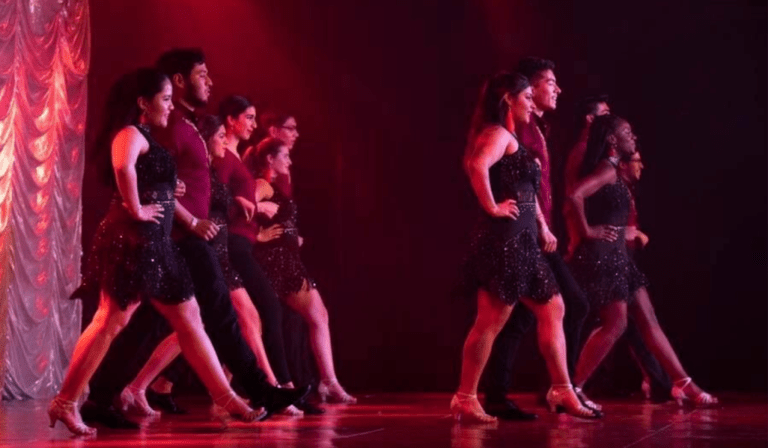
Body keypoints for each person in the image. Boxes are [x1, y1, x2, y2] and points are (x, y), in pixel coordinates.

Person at [50, 68, 260, 436]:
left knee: (189, 316)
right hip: (133, 240)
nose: (169, 107)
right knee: (110, 320)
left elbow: (143, 172)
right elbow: (122, 165)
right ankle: (65, 401)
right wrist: (135, 207)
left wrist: (167, 188)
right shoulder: (129, 133)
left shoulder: (146, 136)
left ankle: (229, 399)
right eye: (164, 99)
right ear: (143, 103)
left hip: (157, 244)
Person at [151, 48, 308, 418]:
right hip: (186, 238)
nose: (210, 81)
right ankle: (262, 389)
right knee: (213, 317)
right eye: (201, 74)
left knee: (189, 321)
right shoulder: (172, 126)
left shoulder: (189, 126)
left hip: (198, 239)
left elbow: (199, 185)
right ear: (178, 80)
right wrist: (188, 217)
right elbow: (147, 169)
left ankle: (132, 390)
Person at [454, 72, 599, 423]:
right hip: (503, 241)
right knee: (490, 321)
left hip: (525, 243)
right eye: (527, 98)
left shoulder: (513, 138)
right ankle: (465, 397)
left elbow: (528, 193)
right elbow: (477, 166)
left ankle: (563, 388)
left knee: (555, 309)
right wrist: (491, 206)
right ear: (509, 99)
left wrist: (543, 227)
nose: (533, 103)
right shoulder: (497, 134)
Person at [117, 114, 286, 416]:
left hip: (211, 248)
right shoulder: (201, 166)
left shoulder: (208, 170)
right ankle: (270, 387)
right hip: (203, 248)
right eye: (219, 134)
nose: (223, 140)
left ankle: (142, 386)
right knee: (222, 319)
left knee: (193, 323)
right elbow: (204, 205)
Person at [568, 114, 717, 407]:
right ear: (612, 140)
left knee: (648, 320)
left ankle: (683, 383)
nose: (633, 137)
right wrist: (588, 231)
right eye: (627, 132)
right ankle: (571, 387)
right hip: (606, 259)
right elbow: (574, 194)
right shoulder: (607, 170)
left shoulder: (614, 171)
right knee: (615, 324)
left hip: (621, 259)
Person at [245, 137, 357, 404]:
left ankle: (328, 382)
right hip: (272, 263)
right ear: (270, 159)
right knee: (253, 327)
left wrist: (293, 236)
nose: (290, 160)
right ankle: (234, 389)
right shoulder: (261, 184)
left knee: (318, 316)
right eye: (285, 156)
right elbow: (238, 211)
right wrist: (257, 235)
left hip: (289, 262)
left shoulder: (275, 185)